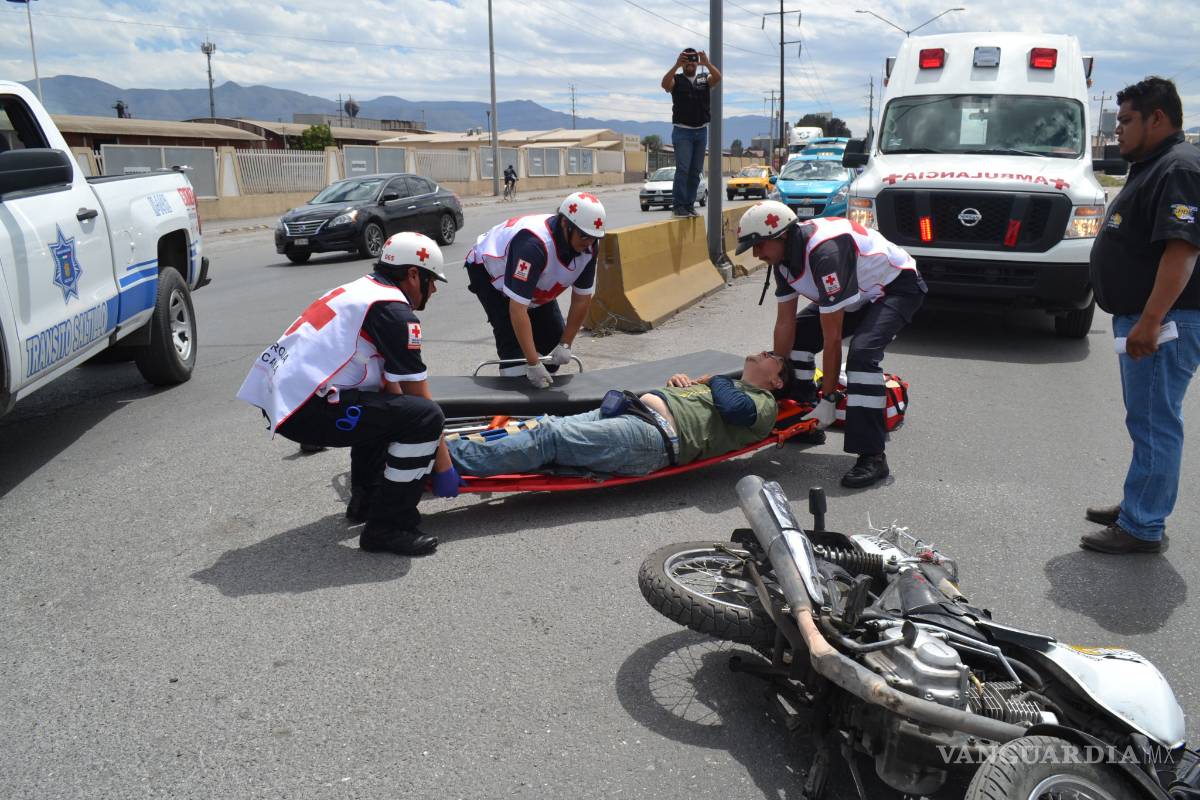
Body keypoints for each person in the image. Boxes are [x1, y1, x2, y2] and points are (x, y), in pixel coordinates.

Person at [236, 232, 461, 557]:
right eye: (432, 281)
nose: (434, 290)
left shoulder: (363, 290)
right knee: (426, 418)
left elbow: (391, 389)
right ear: (413, 275)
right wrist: (444, 465)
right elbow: (419, 397)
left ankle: (366, 501)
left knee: (390, 410)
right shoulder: (394, 312)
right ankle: (389, 527)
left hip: (286, 399)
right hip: (306, 407)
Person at [1081, 77, 1200, 555]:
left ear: (1158, 118)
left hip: (1165, 321)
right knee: (1147, 420)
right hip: (1150, 317)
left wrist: (1151, 321)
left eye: (1127, 120)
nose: (1118, 130)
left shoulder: (1178, 168)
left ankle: (1143, 524)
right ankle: (1140, 504)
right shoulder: (1156, 165)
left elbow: (1182, 250)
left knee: (1154, 423)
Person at [735, 201, 926, 489]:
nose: (756, 254)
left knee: (862, 357)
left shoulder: (826, 253)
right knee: (798, 336)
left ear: (781, 235)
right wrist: (777, 374)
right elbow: (785, 324)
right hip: (858, 292)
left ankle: (873, 456)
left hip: (895, 287)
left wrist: (829, 398)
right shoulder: (783, 260)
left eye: (759, 245)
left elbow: (832, 337)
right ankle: (804, 417)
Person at [449, 352, 792, 477]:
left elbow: (734, 409)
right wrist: (679, 385)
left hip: (655, 438)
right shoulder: (726, 385)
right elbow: (715, 403)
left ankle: (445, 460)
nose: (764, 352)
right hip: (635, 413)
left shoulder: (764, 403)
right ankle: (448, 450)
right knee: (546, 424)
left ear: (776, 381)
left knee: (549, 437)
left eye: (773, 358)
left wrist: (715, 379)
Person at [465, 191, 606, 388]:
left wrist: (566, 343)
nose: (588, 243)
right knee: (515, 356)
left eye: (593, 238)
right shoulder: (533, 245)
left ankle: (539, 379)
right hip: (490, 274)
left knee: (553, 345)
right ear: (565, 224)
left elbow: (582, 298)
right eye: (584, 236)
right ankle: (516, 385)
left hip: (538, 281)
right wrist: (532, 363)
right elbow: (517, 308)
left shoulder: (589, 246)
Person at [661, 47, 721, 217]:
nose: (690, 65)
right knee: (683, 169)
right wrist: (675, 65)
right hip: (683, 132)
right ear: (682, 64)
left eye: (693, 61)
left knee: (695, 171)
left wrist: (707, 63)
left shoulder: (704, 79)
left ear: (696, 63)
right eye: (686, 62)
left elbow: (717, 77)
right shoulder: (677, 80)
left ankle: (689, 205)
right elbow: (664, 84)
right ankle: (678, 205)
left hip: (701, 132)